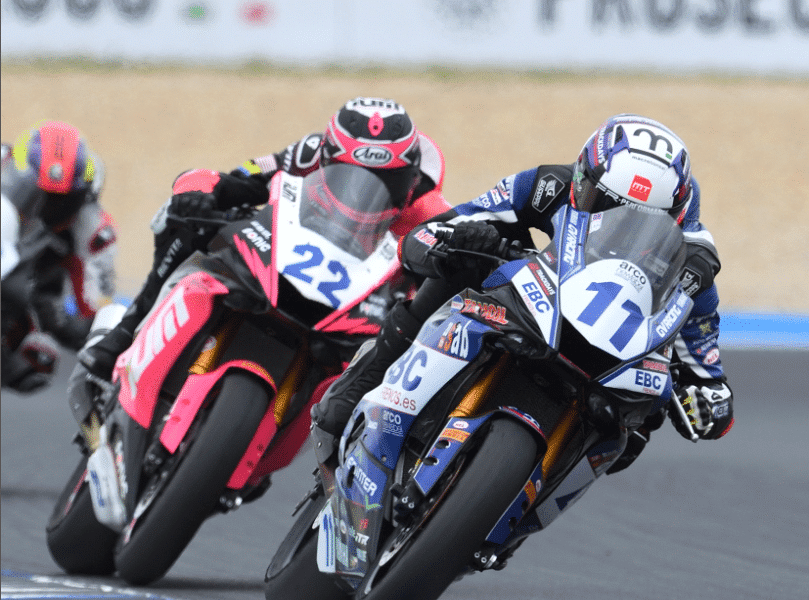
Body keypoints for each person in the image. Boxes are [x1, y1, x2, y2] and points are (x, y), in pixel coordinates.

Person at [311, 113, 734, 468]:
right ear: (583, 175)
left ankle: (528, 500)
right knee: (460, 262)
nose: (614, 220)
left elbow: (702, 346)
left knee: (641, 425)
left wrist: (708, 393)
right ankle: (368, 380)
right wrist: (449, 242)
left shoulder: (693, 256)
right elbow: (445, 226)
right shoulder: (548, 185)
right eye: (603, 202)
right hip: (538, 298)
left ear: (673, 217)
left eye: (638, 218)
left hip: (614, 349)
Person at [79, 97, 451, 379]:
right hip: (286, 256)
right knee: (185, 210)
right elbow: (240, 178)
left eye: (387, 179)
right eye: (349, 173)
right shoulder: (306, 153)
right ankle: (129, 327)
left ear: (413, 176)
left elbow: (445, 271)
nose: (362, 191)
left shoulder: (430, 208)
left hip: (357, 301)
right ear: (327, 157)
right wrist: (203, 194)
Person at [1, 122, 117, 392]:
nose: (44, 206)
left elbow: (98, 311)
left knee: (38, 359)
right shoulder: (4, 165)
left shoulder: (95, 232)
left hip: (28, 299)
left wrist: (57, 317)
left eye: (60, 200)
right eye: (34, 191)